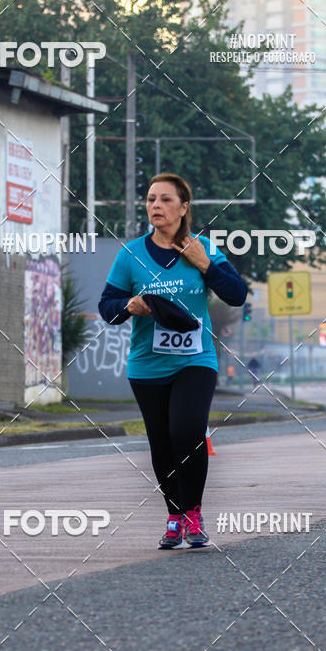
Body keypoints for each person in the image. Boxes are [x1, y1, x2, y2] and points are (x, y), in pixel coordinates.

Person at [98, 172, 248, 549]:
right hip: (147, 364)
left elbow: (237, 295)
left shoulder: (203, 249)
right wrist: (128, 306)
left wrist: (206, 265)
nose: (156, 207)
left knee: (187, 432)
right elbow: (107, 308)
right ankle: (174, 516)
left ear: (183, 208)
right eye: (150, 200)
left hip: (195, 359)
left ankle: (194, 513)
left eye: (165, 200)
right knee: (162, 443)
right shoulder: (130, 254)